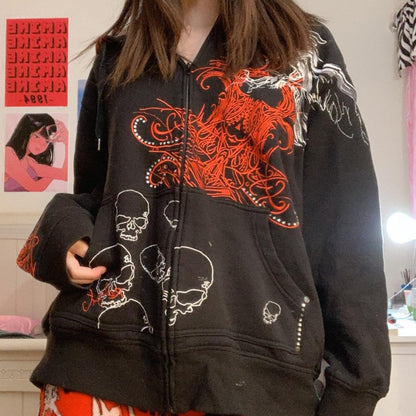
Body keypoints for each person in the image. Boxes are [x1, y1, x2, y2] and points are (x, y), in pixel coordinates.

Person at [17, 0, 391, 415]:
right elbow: (97, 195)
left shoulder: (304, 50)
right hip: (97, 366)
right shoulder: (120, 54)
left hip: (253, 379)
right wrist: (65, 232)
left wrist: (356, 387)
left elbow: (347, 228)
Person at [5, 113, 68, 192]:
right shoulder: (8, 153)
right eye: (36, 136)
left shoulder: (30, 162)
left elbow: (65, 175)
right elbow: (34, 188)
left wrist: (67, 141)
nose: (41, 144)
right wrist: (53, 175)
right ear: (25, 133)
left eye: (47, 141)